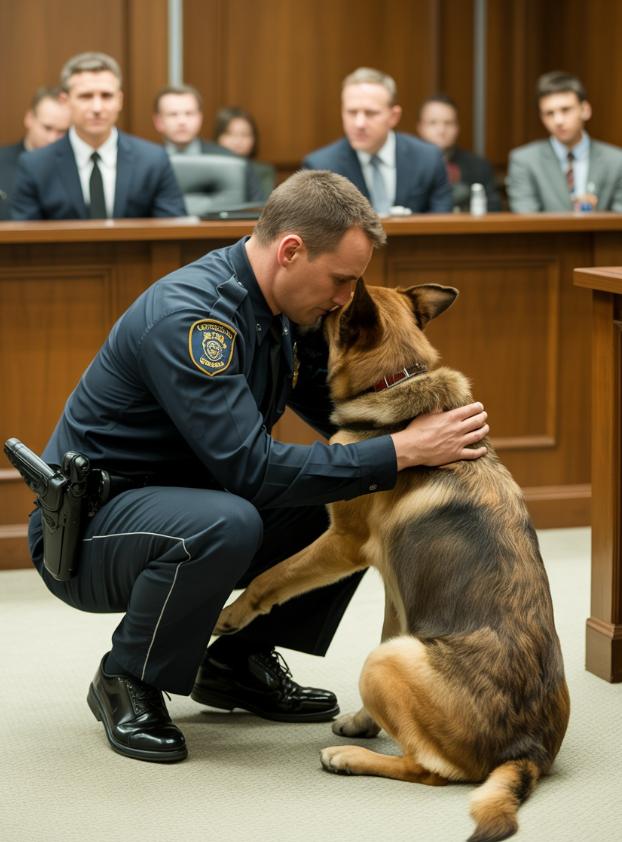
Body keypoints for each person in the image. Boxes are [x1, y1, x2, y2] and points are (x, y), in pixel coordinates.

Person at [26, 169, 489, 763]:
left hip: (188, 501)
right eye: (342, 279)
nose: (348, 298)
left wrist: (434, 429)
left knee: (356, 497)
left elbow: (348, 412)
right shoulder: (195, 319)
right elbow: (251, 469)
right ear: (291, 251)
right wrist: (402, 450)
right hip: (92, 531)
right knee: (237, 518)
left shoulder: (283, 311)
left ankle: (236, 662)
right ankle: (126, 675)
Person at [11, 53, 186, 220]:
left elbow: (175, 231)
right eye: (86, 96)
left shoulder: (153, 160)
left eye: (106, 96)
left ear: (119, 100)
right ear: (65, 101)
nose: (97, 108)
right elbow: (25, 237)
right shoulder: (36, 165)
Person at [303, 67, 452, 214]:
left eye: (371, 113)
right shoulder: (320, 168)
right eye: (352, 112)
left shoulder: (428, 158)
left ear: (394, 116)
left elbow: (442, 223)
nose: (359, 123)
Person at [507, 70, 622, 213]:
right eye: (549, 113)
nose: (558, 120)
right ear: (542, 118)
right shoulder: (525, 161)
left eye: (565, 110)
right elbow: (526, 217)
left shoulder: (616, 161)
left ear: (585, 110)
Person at [153, 85, 266, 203]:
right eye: (172, 114)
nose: (182, 121)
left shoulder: (231, 161)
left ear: (200, 118)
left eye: (189, 113)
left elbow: (258, 207)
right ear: (158, 121)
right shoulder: (148, 163)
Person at [416, 94, 502, 212]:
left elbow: (493, 210)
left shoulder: (479, 166)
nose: (441, 130)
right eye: (433, 123)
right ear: (420, 127)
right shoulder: (407, 166)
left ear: (457, 127)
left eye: (448, 123)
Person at [0, 86, 71, 221]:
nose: (52, 139)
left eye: (62, 131)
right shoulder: (1, 163)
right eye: (47, 128)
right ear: (29, 118)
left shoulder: (75, 169)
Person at [214, 105, 276, 197]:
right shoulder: (210, 169)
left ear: (254, 139)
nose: (238, 141)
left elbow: (264, 202)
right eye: (230, 134)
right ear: (218, 137)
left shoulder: (264, 171)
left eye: (244, 134)